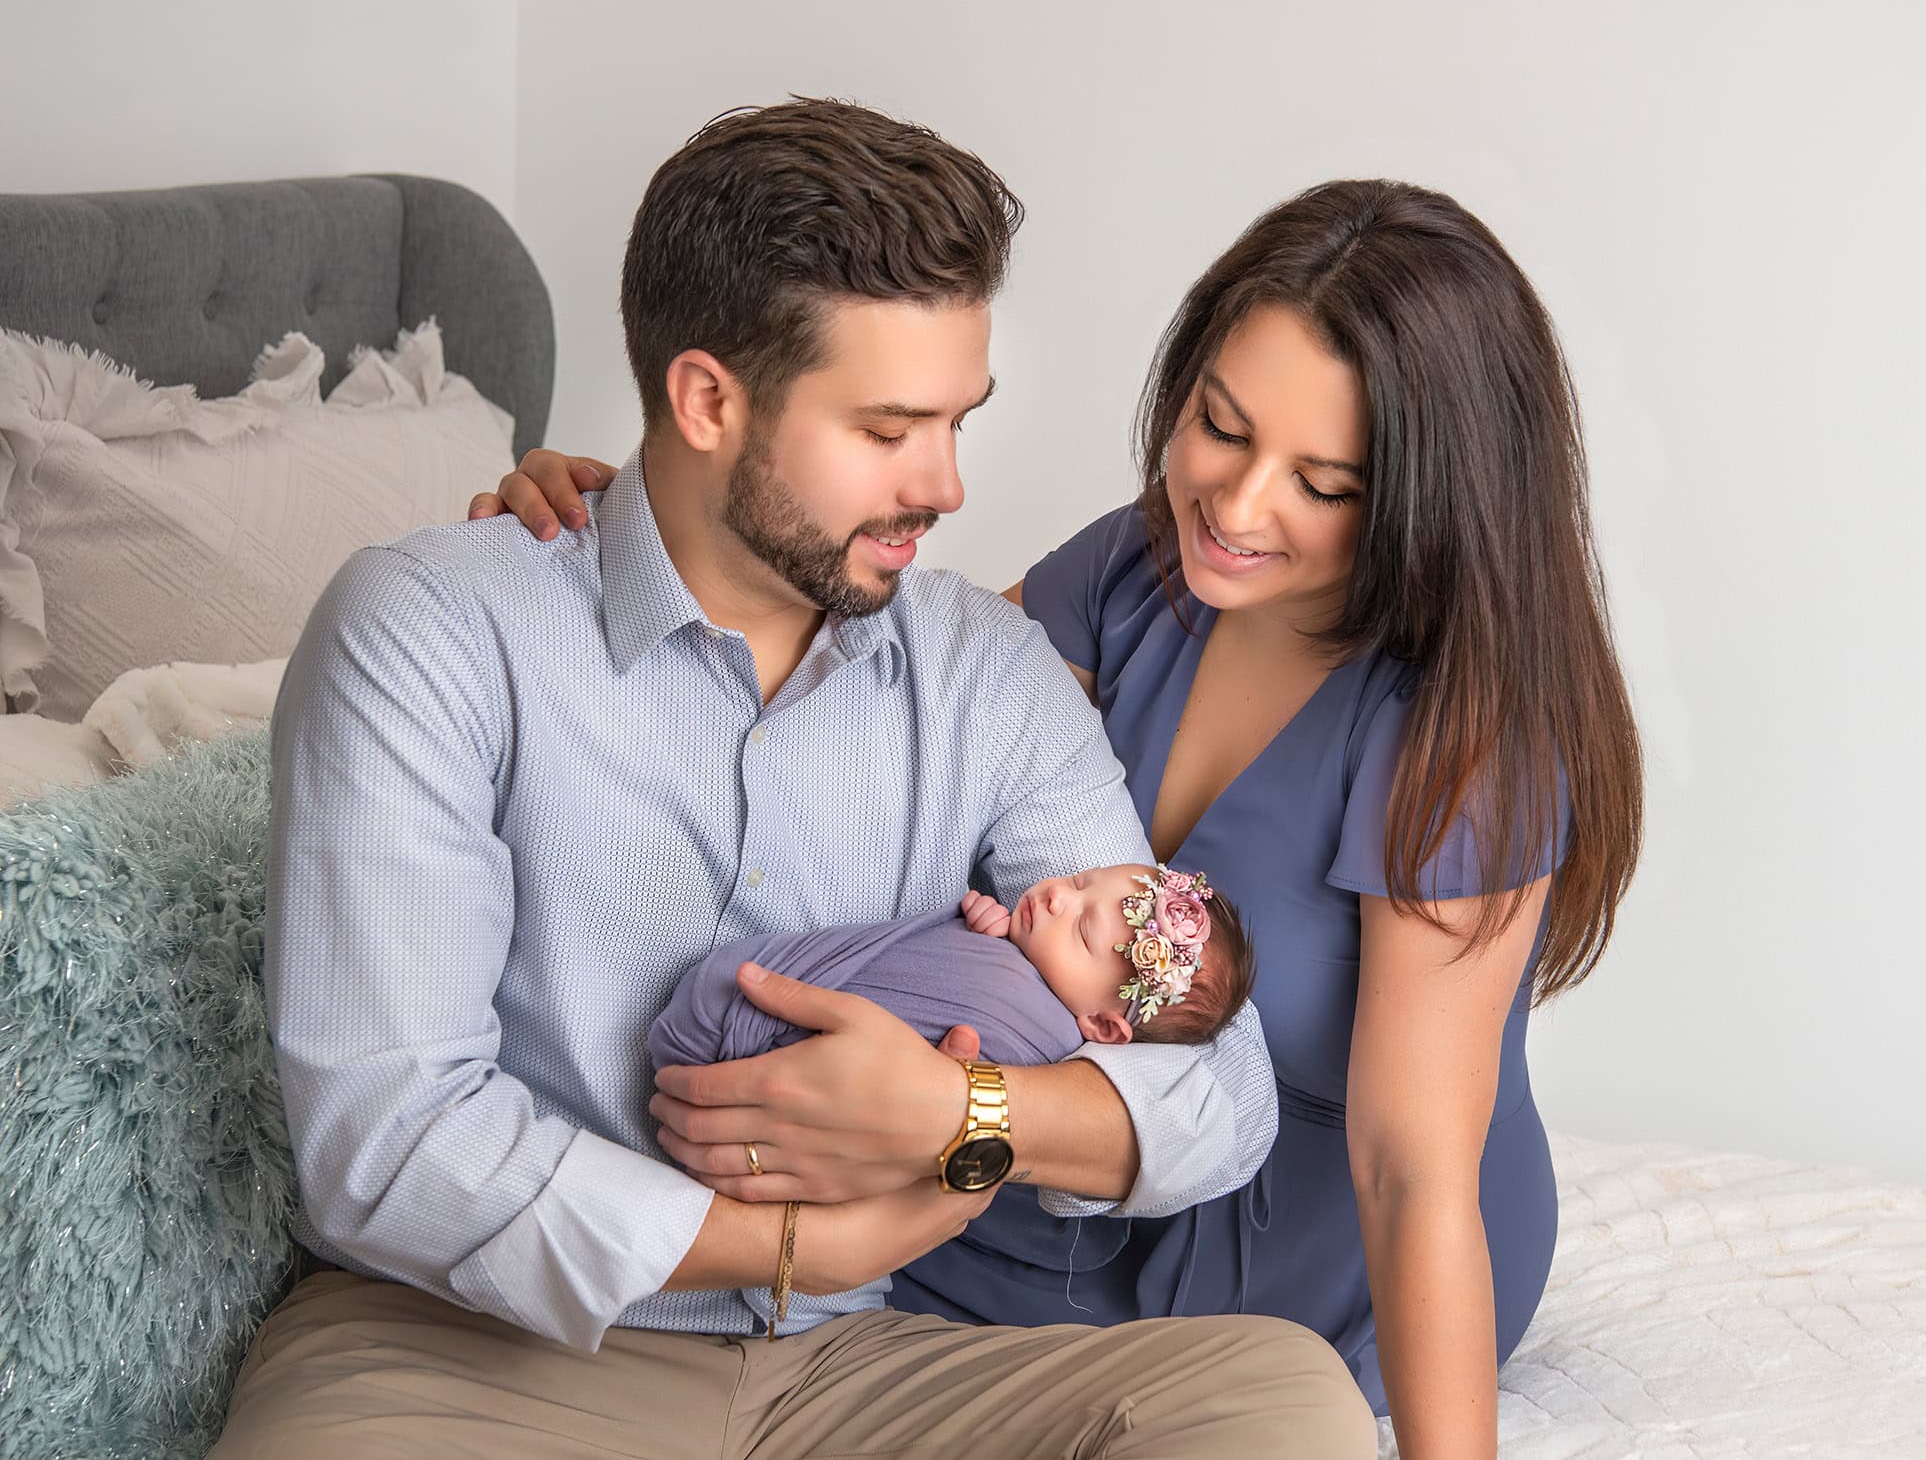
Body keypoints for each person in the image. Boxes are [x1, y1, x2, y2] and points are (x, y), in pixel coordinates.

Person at [213, 99, 1379, 1459]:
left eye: (958, 419)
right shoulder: (431, 630)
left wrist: (967, 1117)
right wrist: (784, 1241)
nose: (946, 483)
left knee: (1276, 1403)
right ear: (709, 398)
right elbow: (387, 1132)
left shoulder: (988, 670)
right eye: (890, 429)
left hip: (854, 1365)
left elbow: (1219, 1087)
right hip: (467, 1354)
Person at [478, 174, 1646, 1459]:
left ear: (1426, 504)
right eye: (1217, 424)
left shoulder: (1460, 734)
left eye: (1322, 484)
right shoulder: (1134, 569)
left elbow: (1409, 1168)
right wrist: (647, 524)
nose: (1237, 506)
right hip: (1035, 1192)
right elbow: (878, 679)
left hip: (1320, 1257)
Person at [652, 863, 1252, 1325]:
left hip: (740, 1053)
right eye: (1078, 880)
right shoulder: (1039, 959)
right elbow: (938, 961)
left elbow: (1230, 1116)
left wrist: (965, 1098)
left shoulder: (1041, 1044)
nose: (1058, 896)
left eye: (1083, 930)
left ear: (1102, 1028)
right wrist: (994, 938)